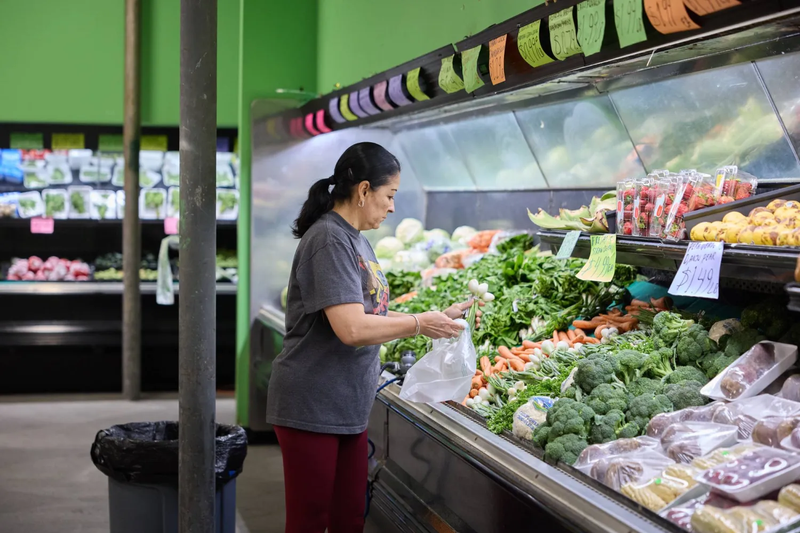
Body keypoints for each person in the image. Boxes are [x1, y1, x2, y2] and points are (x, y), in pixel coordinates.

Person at [267, 142, 474, 533]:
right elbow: (352, 329)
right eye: (390, 195)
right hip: (312, 405)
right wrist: (417, 323)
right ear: (364, 190)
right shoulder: (329, 240)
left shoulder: (356, 239)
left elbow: (366, 313)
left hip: (346, 405)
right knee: (310, 520)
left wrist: (436, 318)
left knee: (349, 515)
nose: (393, 206)